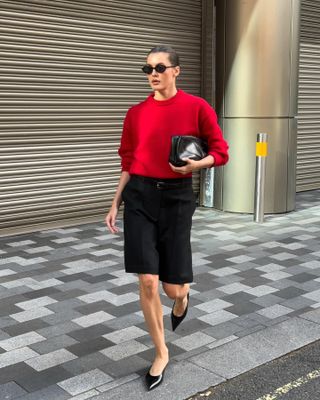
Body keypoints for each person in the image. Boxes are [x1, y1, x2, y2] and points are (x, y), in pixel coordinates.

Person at [105, 45, 229, 391]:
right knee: (147, 280)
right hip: (140, 197)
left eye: (160, 67)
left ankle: (182, 298)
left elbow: (221, 152)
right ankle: (161, 352)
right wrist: (115, 202)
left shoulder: (197, 107)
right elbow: (128, 161)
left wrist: (196, 165)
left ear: (177, 70)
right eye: (147, 69)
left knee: (173, 287)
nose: (153, 73)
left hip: (176, 198)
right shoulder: (135, 113)